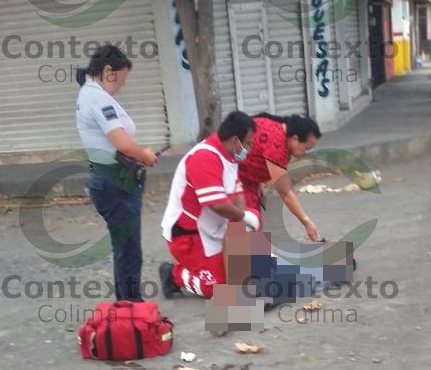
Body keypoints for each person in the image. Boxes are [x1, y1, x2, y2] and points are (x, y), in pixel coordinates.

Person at [75, 44, 159, 302]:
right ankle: (130, 307)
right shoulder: (98, 98)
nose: (122, 85)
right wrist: (144, 155)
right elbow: (122, 143)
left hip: (114, 179)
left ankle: (127, 303)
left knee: (126, 246)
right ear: (109, 71)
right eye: (121, 78)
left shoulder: (91, 93)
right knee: (128, 248)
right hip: (115, 182)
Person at [158, 111, 261, 299]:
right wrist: (243, 218)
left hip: (215, 225)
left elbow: (238, 194)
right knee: (219, 288)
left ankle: (249, 265)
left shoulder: (229, 154)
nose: (250, 148)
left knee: (252, 215)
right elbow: (217, 205)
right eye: (248, 143)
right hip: (189, 236)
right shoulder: (203, 158)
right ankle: (175, 275)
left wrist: (244, 225)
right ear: (235, 140)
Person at [238, 113, 322, 241]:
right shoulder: (277, 146)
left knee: (251, 225)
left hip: (245, 179)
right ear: (295, 139)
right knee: (246, 225)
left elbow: (254, 152)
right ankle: (248, 259)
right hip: (234, 180)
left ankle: (253, 258)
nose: (307, 153)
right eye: (306, 148)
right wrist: (306, 222)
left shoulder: (274, 126)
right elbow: (286, 194)